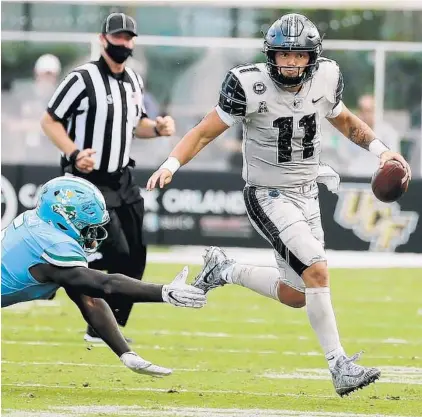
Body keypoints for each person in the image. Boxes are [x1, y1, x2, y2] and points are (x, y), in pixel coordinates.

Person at [146, 13, 412, 396]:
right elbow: (204, 131)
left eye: (299, 56)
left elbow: (346, 121)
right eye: (283, 55)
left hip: (307, 193)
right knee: (317, 271)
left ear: (312, 57)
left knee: (297, 294)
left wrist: (383, 152)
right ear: (270, 55)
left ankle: (225, 269)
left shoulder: (326, 77)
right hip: (267, 194)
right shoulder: (247, 84)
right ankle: (339, 366)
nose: (290, 63)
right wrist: (172, 163)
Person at [41, 12, 176, 342]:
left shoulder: (134, 80)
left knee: (137, 254)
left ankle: (102, 327)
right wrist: (74, 153)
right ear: (103, 39)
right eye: (117, 37)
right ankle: (60, 272)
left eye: (129, 38)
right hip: (87, 182)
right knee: (116, 252)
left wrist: (157, 128)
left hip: (122, 178)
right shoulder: (81, 79)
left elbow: (137, 125)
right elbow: (50, 120)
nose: (123, 43)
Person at [1, 176, 206, 376]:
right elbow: (106, 285)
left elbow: (90, 299)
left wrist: (126, 353)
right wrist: (163, 292)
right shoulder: (53, 245)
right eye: (87, 225)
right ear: (64, 219)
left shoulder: (40, 223)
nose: (94, 232)